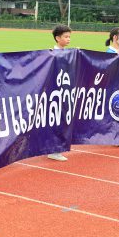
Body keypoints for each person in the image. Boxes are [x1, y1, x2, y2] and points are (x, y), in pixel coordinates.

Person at [48, 25, 71, 162]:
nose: (68, 39)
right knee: (56, 119)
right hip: (54, 93)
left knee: (63, 119)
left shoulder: (69, 53)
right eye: (66, 37)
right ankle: (54, 150)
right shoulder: (51, 53)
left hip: (65, 92)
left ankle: (57, 148)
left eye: (69, 37)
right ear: (57, 38)